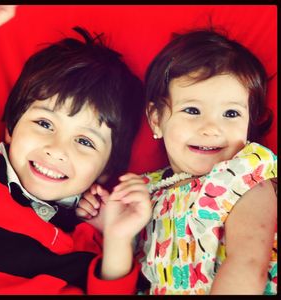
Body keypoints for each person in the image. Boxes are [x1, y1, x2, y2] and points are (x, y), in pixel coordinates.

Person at [77, 29, 277, 295]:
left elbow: (248, 264)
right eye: (192, 110)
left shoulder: (245, 177)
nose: (211, 128)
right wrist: (115, 230)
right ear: (157, 119)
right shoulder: (147, 191)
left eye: (231, 113)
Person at [0, 26, 152, 295]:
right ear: (12, 127)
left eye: (85, 142)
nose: (58, 150)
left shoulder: (92, 244)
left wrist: (118, 238)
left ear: (107, 169)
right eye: (44, 123)